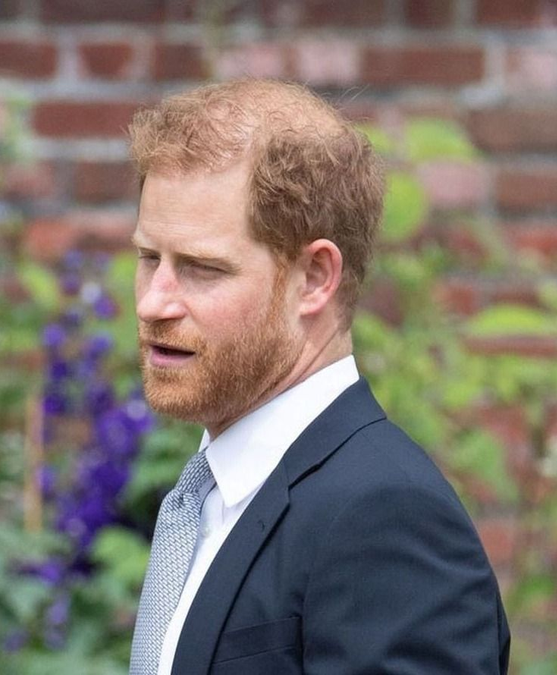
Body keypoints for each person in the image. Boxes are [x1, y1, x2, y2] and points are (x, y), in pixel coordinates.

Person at [126, 79, 510, 674]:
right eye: (150, 258)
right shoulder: (209, 497)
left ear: (314, 278)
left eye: (202, 268)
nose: (154, 301)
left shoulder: (385, 515)